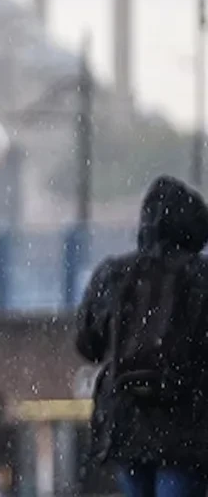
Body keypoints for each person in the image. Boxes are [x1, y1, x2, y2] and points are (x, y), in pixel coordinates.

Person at [76, 175, 208, 497]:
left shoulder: (114, 274)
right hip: (187, 421)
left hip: (127, 419)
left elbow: (88, 345)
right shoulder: (201, 276)